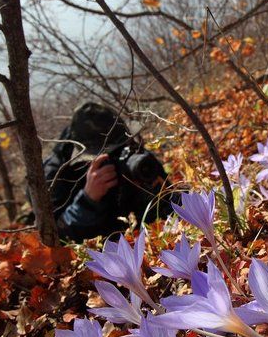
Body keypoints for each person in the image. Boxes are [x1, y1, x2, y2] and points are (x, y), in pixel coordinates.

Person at [42, 102, 172, 242]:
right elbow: (56, 238)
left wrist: (151, 189)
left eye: (120, 149)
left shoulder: (135, 159)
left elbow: (173, 207)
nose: (115, 158)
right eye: (107, 154)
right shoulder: (56, 175)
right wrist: (87, 200)